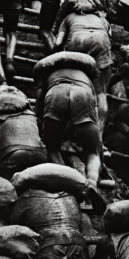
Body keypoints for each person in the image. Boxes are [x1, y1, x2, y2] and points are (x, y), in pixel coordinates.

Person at [33, 52, 102, 188]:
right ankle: (92, 182)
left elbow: (39, 101)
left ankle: (70, 181)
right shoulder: (86, 75)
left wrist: (39, 123)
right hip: (83, 92)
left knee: (52, 149)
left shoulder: (47, 71)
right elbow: (94, 109)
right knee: (92, 152)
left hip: (56, 91)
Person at [53, 0, 112, 133]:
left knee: (73, 83)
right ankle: (98, 135)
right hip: (101, 42)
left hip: (77, 41)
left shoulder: (69, 18)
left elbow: (58, 43)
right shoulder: (102, 19)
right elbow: (109, 36)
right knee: (101, 93)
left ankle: (69, 128)